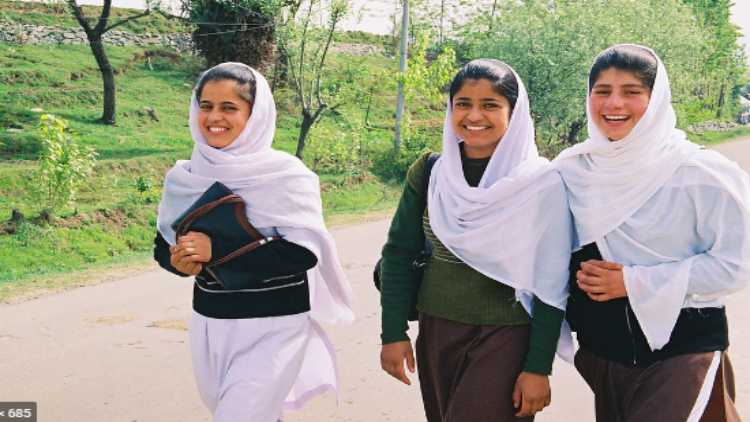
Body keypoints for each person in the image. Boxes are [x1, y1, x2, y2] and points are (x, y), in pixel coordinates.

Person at [555, 44, 750, 421]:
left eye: (632, 92)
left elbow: (737, 264)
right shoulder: (574, 170)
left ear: (656, 99)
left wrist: (635, 281)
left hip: (683, 351)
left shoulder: (700, 174)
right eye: (602, 91)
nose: (614, 104)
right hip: (604, 356)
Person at [152, 62, 354, 422]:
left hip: (275, 325)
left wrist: (219, 252)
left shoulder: (286, 175)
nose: (215, 117)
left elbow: (301, 253)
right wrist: (178, 262)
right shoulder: (185, 176)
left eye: (230, 108)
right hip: (211, 323)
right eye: (206, 105)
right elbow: (163, 246)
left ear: (255, 114)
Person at [379, 59, 574, 421]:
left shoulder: (540, 183)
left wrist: (538, 367)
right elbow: (398, 253)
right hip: (437, 329)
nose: (474, 115)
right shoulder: (431, 173)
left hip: (508, 333)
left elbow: (550, 281)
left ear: (514, 114)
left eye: (490, 105)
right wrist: (392, 331)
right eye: (463, 103)